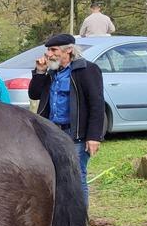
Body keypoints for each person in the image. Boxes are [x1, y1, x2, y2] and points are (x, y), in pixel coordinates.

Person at [28, 33, 104, 205]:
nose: (49, 54)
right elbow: (34, 94)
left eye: (54, 50)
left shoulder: (86, 70)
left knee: (77, 176)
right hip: (53, 131)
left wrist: (93, 137)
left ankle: (80, 219)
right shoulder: (52, 71)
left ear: (69, 50)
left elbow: (97, 104)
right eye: (48, 50)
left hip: (75, 133)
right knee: (54, 173)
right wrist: (40, 72)